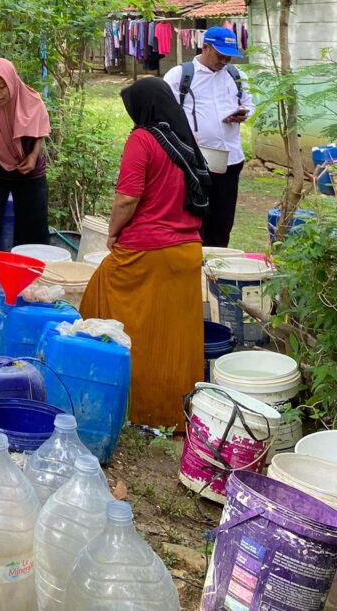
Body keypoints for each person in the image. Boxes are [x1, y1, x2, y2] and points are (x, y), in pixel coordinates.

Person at [80, 77, 210, 429]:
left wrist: (112, 232)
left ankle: (131, 406)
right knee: (175, 341)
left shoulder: (143, 139)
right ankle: (176, 415)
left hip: (146, 252)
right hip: (186, 254)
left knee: (97, 302)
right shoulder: (184, 141)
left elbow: (127, 198)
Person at [164, 26, 254, 247]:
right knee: (195, 220)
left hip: (230, 160)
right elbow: (165, 114)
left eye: (229, 56)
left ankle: (217, 267)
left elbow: (250, 104)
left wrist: (242, 114)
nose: (224, 61)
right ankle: (195, 267)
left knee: (223, 222)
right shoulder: (180, 76)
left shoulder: (236, 76)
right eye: (220, 55)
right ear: (205, 47)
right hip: (194, 162)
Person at [0, 58, 52, 249]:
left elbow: (39, 132)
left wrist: (32, 156)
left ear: (12, 83)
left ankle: (32, 275)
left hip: (29, 173)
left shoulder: (33, 103)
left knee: (33, 233)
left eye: (1, 86)